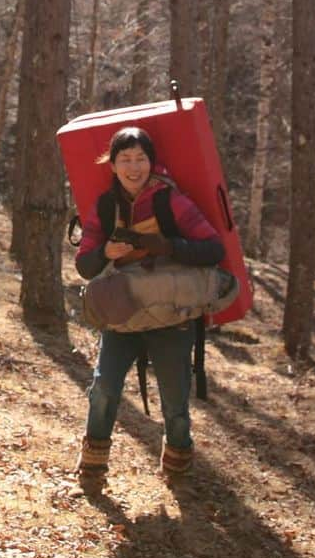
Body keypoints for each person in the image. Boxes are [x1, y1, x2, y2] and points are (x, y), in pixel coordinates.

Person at [74, 126, 224, 487]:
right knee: (104, 389)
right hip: (123, 314)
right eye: (125, 159)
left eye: (140, 158)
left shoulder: (171, 201)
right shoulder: (106, 206)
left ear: (151, 162)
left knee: (174, 402)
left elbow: (213, 249)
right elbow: (84, 265)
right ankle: (92, 470)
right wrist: (105, 253)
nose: (133, 166)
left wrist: (167, 246)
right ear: (112, 165)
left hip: (171, 313)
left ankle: (178, 469)